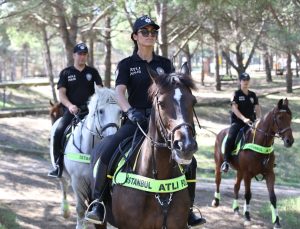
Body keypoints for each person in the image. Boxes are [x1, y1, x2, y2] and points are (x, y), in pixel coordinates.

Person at [84, 15, 206, 227]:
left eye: (153, 32)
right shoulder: (126, 64)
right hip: (135, 120)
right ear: (135, 36)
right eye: (145, 32)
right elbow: (119, 92)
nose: (150, 35)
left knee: (191, 161)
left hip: (162, 121)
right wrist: (130, 111)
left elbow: (174, 93)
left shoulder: (165, 64)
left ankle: (190, 210)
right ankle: (97, 203)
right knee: (106, 151)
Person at [48, 42, 103, 178]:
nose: (82, 57)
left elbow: (100, 91)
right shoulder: (66, 73)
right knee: (58, 131)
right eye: (79, 54)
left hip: (90, 112)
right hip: (72, 111)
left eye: (85, 54)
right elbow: (61, 94)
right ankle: (58, 165)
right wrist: (70, 106)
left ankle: (107, 166)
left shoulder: (93, 72)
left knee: (108, 131)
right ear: (74, 55)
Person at [221, 72, 262, 173]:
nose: (246, 82)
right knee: (231, 137)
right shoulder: (236, 94)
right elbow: (234, 109)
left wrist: (259, 119)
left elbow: (257, 108)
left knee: (263, 136)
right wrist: (244, 119)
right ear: (240, 81)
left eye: (247, 80)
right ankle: (226, 161)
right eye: (243, 80)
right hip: (238, 122)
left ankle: (265, 160)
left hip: (251, 123)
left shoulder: (253, 95)